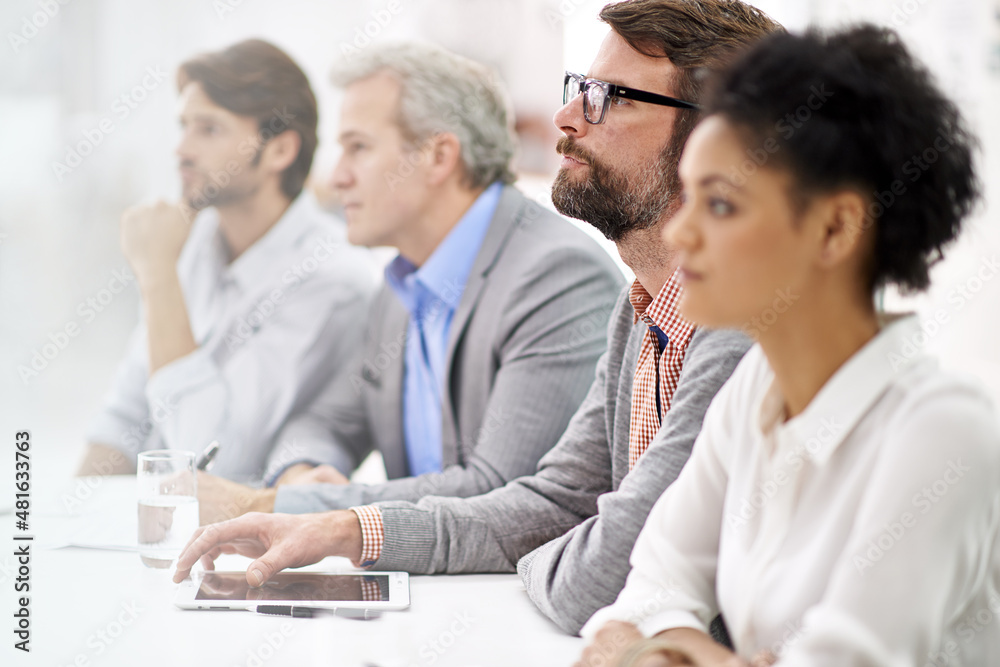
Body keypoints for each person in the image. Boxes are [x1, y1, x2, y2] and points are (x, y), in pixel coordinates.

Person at [176, 0, 779, 639]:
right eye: (579, 90)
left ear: (718, 140)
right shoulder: (638, 313)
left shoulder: (728, 315)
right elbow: (551, 505)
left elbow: (596, 566)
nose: (565, 116)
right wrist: (339, 526)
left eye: (613, 98)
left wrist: (547, 554)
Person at [579, 24, 998, 667]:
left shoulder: (942, 431)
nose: (681, 230)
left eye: (719, 205)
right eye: (687, 195)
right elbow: (640, 597)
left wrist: (657, 651)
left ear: (835, 228)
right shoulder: (757, 391)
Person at [195, 41, 625, 519]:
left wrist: (286, 503)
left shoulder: (556, 277)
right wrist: (302, 469)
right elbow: (326, 420)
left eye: (357, 147)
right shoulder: (400, 286)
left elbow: (500, 491)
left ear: (439, 157)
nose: (336, 178)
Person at [78, 40, 376, 483]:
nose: (182, 149)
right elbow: (123, 420)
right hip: (148, 525)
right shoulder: (195, 242)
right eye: (183, 126)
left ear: (279, 151)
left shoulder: (332, 280)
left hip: (229, 543)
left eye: (209, 129)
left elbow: (209, 458)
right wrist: (51, 528)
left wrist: (158, 274)